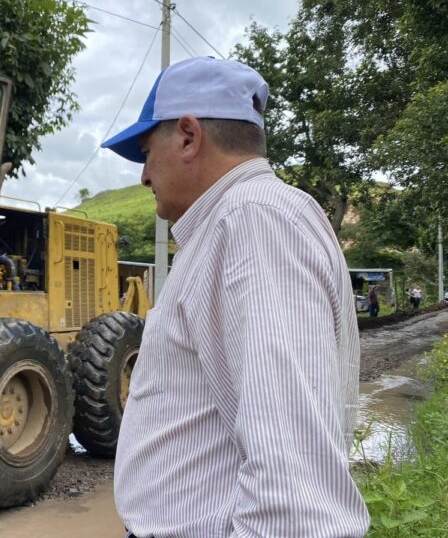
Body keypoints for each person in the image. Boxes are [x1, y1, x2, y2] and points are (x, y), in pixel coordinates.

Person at [101, 57, 369, 537]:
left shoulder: (253, 224)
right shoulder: (242, 222)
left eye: (145, 151)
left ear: (187, 135)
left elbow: (296, 505)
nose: (143, 176)